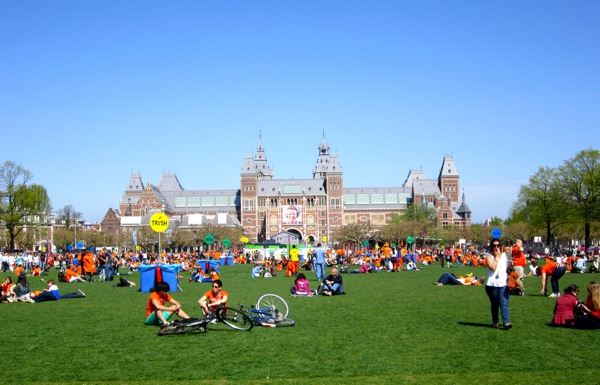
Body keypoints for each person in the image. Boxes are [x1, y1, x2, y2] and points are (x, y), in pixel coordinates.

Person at [485, 239, 511, 330]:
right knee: (495, 304)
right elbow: (492, 268)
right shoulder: (489, 257)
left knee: (504, 302)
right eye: (494, 245)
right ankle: (495, 321)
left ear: (501, 246)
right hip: (492, 284)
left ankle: (506, 322)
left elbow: (510, 265)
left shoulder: (505, 255)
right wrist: (496, 257)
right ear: (491, 247)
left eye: (498, 245)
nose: (496, 247)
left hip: (503, 283)